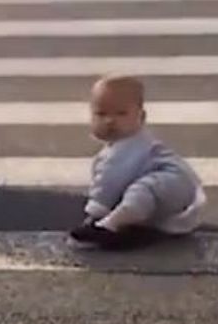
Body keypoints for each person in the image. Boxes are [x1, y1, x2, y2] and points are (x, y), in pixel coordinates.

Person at [69, 75, 207, 250]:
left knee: (142, 191)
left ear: (141, 117)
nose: (110, 121)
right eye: (101, 114)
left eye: (121, 114)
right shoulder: (132, 143)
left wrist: (95, 212)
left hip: (169, 182)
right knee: (142, 196)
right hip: (179, 190)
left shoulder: (126, 148)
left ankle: (109, 225)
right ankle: (136, 227)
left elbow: (109, 182)